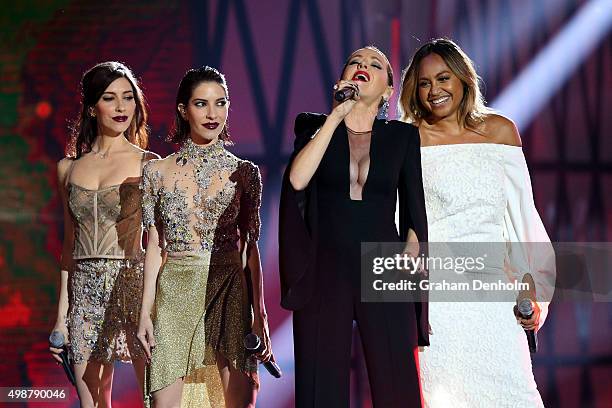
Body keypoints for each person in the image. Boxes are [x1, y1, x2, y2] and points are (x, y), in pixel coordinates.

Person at [398, 38, 556, 407]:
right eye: (424, 83)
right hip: (437, 300)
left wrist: (535, 290)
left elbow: (521, 218)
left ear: (463, 79)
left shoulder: (501, 131)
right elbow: (397, 222)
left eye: (443, 78)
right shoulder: (407, 140)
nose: (434, 90)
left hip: (495, 297)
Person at [279, 46, 429, 407]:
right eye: (355, 62)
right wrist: (335, 116)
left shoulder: (402, 138)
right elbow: (297, 180)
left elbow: (414, 207)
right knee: (321, 384)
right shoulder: (315, 127)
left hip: (383, 260)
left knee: (396, 379)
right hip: (326, 261)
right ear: (343, 75)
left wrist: (411, 249)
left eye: (375, 64)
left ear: (388, 90)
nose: (363, 66)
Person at [137, 66, 272, 408]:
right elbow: (154, 247)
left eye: (221, 103)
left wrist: (260, 313)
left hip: (228, 291)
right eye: (201, 104)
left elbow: (250, 248)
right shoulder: (156, 171)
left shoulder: (245, 173)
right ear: (183, 109)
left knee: (230, 401)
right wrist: (144, 313)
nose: (213, 114)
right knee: (166, 400)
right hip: (175, 295)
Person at [49, 61, 158, 407]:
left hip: (132, 286)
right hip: (84, 294)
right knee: (92, 403)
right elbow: (68, 248)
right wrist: (60, 320)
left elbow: (158, 242)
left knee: (150, 396)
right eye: (110, 98)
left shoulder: (149, 164)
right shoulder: (68, 168)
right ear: (93, 107)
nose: (122, 107)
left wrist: (150, 308)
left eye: (128, 97)